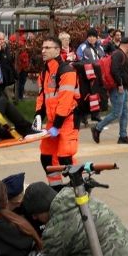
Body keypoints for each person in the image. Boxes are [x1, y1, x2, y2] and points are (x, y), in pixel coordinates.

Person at [36, 37, 79, 187]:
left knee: (65, 158)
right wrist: (38, 116)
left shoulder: (67, 70)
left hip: (68, 120)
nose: (43, 51)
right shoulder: (45, 72)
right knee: (46, 157)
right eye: (43, 48)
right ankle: (56, 189)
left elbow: (65, 101)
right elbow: (42, 97)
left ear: (57, 50)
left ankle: (80, 188)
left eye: (47, 48)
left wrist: (57, 125)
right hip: (53, 121)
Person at [92, 37, 128, 145]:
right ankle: (97, 128)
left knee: (125, 113)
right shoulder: (118, 54)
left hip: (123, 88)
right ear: (127, 44)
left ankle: (123, 136)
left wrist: (127, 87)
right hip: (118, 88)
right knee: (117, 113)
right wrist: (120, 84)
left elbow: (122, 72)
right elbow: (114, 70)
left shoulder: (121, 54)